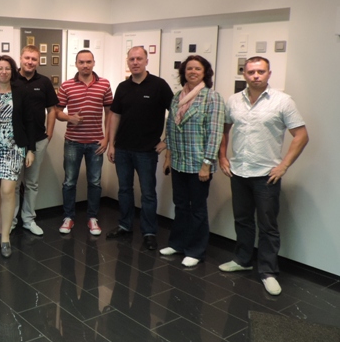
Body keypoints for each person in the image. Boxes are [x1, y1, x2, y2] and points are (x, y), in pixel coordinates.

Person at [218, 56, 308, 296]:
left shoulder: (282, 101)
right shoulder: (234, 101)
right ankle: (242, 260)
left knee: (268, 225)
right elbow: (224, 129)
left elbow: (301, 136)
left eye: (260, 71)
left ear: (269, 74)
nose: (255, 76)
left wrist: (283, 166)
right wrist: (222, 157)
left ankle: (268, 271)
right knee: (242, 219)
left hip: (266, 175)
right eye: (251, 72)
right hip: (239, 171)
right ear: (244, 74)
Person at [160, 56, 224, 267]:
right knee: (180, 205)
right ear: (183, 72)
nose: (193, 72)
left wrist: (207, 164)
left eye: (197, 68)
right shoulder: (177, 97)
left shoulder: (212, 97)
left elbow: (215, 134)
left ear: (205, 72)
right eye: (189, 68)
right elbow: (170, 128)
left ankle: (196, 251)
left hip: (199, 164)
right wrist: (168, 157)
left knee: (197, 208)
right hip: (179, 162)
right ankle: (177, 243)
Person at [107, 46, 173, 250]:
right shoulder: (122, 87)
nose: (135, 62)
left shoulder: (159, 85)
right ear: (127, 61)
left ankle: (149, 232)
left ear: (146, 61)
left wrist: (167, 141)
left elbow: (176, 113)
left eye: (139, 59)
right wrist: (111, 144)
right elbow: (115, 116)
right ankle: (125, 225)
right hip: (123, 149)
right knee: (124, 190)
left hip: (147, 151)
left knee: (148, 193)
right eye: (132, 59)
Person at [0, 55, 36, 258]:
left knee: (8, 190)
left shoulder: (22, 93)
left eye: (7, 68)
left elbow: (30, 122)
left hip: (14, 147)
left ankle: (5, 238)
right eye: (0, 68)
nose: (4, 72)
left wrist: (31, 149)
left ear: (12, 71)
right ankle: (2, 230)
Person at [56, 49, 113, 235]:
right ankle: (68, 217)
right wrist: (69, 118)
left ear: (94, 63)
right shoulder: (67, 85)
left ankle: (92, 218)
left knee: (95, 182)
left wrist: (107, 138)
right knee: (69, 182)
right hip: (73, 142)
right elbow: (57, 112)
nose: (85, 65)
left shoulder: (104, 84)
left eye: (88, 62)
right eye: (81, 62)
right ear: (76, 64)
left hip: (96, 142)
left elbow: (110, 114)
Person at [11, 45, 58, 236]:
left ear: (38, 61)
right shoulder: (11, 79)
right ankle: (11, 220)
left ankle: (28, 219)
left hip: (38, 140)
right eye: (27, 58)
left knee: (32, 183)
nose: (30, 62)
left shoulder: (44, 82)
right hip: (14, 141)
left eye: (34, 59)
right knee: (13, 184)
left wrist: (49, 134)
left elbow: (52, 110)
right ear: (20, 58)